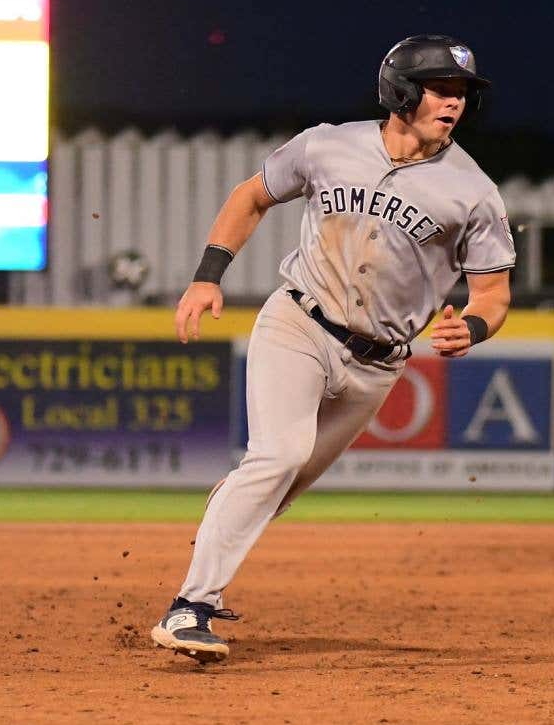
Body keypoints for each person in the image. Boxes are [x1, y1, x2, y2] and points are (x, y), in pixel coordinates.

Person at [150, 34, 516, 663]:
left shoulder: (473, 192)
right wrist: (209, 275)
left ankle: (230, 511)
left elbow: (493, 293)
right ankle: (190, 608)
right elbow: (251, 197)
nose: (454, 103)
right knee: (280, 453)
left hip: (379, 365)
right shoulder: (328, 144)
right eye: (440, 89)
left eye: (461, 94)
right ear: (401, 91)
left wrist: (476, 327)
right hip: (299, 322)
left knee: (279, 486)